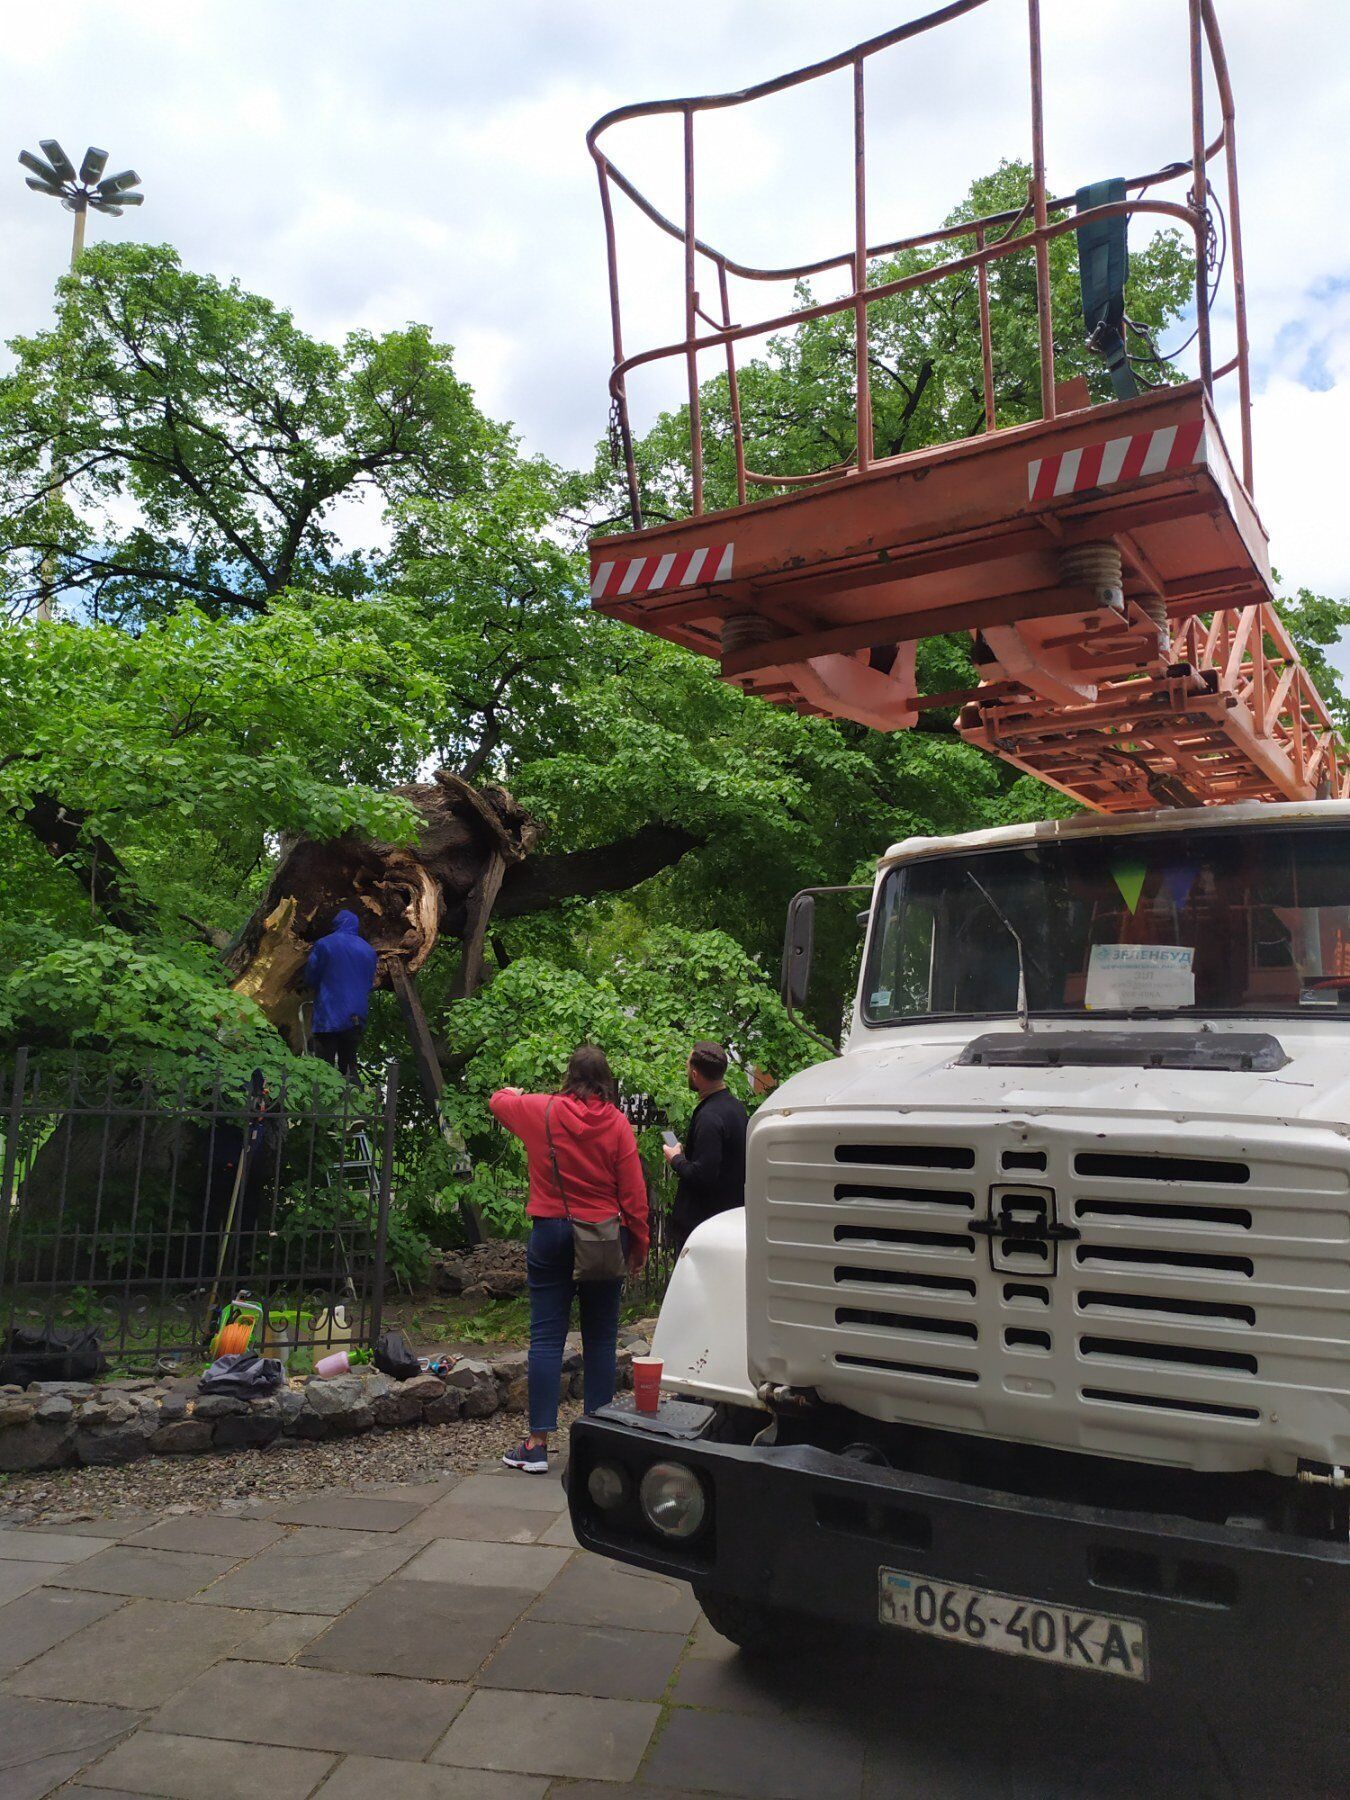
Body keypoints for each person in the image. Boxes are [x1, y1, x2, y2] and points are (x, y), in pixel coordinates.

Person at [490, 1046, 648, 1473]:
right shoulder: (617, 1125)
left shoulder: (541, 1111)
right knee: (599, 1340)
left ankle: (536, 1444)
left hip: (552, 1232)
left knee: (545, 1338)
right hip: (600, 1238)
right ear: (606, 1082)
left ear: (569, 1076)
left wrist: (512, 1089)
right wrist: (638, 1247)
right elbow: (634, 1196)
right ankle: (595, 1443)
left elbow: (498, 1101)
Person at [663, 1040, 748, 1253]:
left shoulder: (709, 1117)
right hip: (729, 1222)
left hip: (703, 1231)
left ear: (694, 1074)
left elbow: (703, 1175)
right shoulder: (737, 1108)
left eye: (686, 1067)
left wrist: (676, 1159)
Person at [305, 908, 377, 1078]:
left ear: (336, 924)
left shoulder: (324, 944)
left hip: (329, 1012)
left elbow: (311, 975)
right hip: (357, 1015)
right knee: (349, 1062)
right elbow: (369, 982)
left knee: (324, 1064)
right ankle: (354, 1097)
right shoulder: (369, 951)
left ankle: (323, 1098)